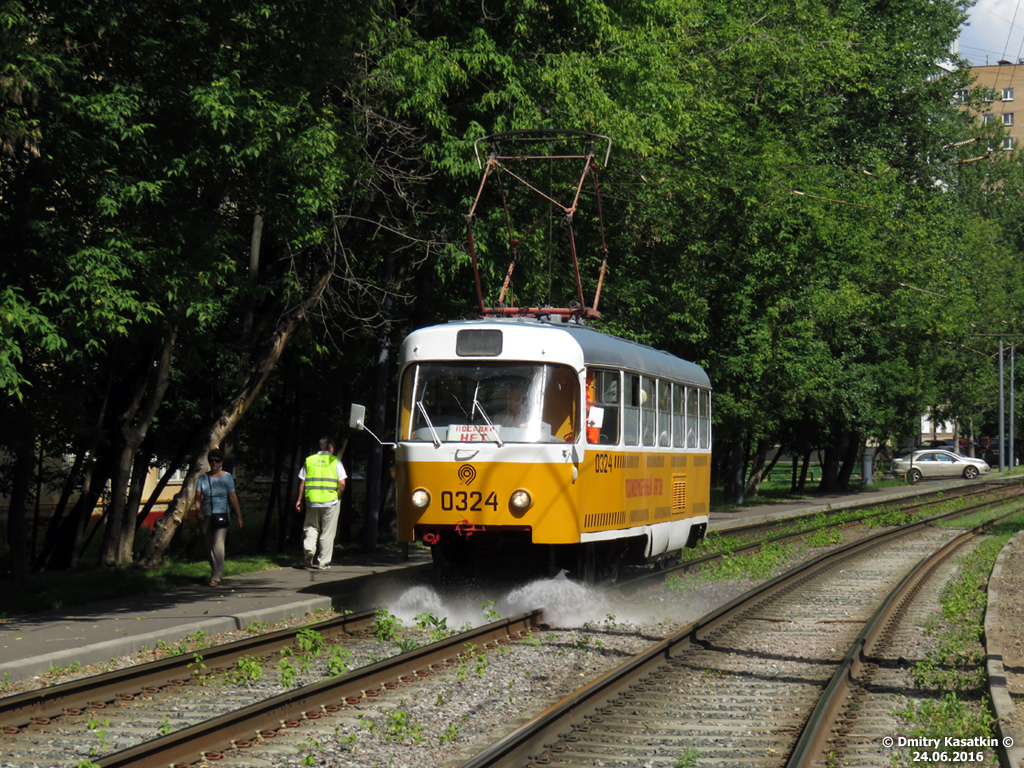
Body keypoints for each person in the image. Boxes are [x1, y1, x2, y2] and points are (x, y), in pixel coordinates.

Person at [295, 437, 347, 570]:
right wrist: (339, 496)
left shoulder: (309, 460)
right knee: (327, 532)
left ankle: (309, 550)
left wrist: (299, 500)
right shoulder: (335, 461)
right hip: (330, 501)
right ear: (331, 448)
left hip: (312, 501)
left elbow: (302, 481)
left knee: (311, 527)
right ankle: (323, 562)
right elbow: (342, 483)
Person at [193, 448, 243, 587]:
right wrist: (197, 510)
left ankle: (216, 576)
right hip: (206, 514)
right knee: (209, 545)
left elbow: (232, 497)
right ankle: (216, 570)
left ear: (221, 462)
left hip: (222, 513)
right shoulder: (203, 477)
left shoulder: (227, 477)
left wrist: (239, 515)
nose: (214, 463)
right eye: (211, 460)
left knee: (218, 544)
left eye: (217, 460)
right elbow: (198, 496)